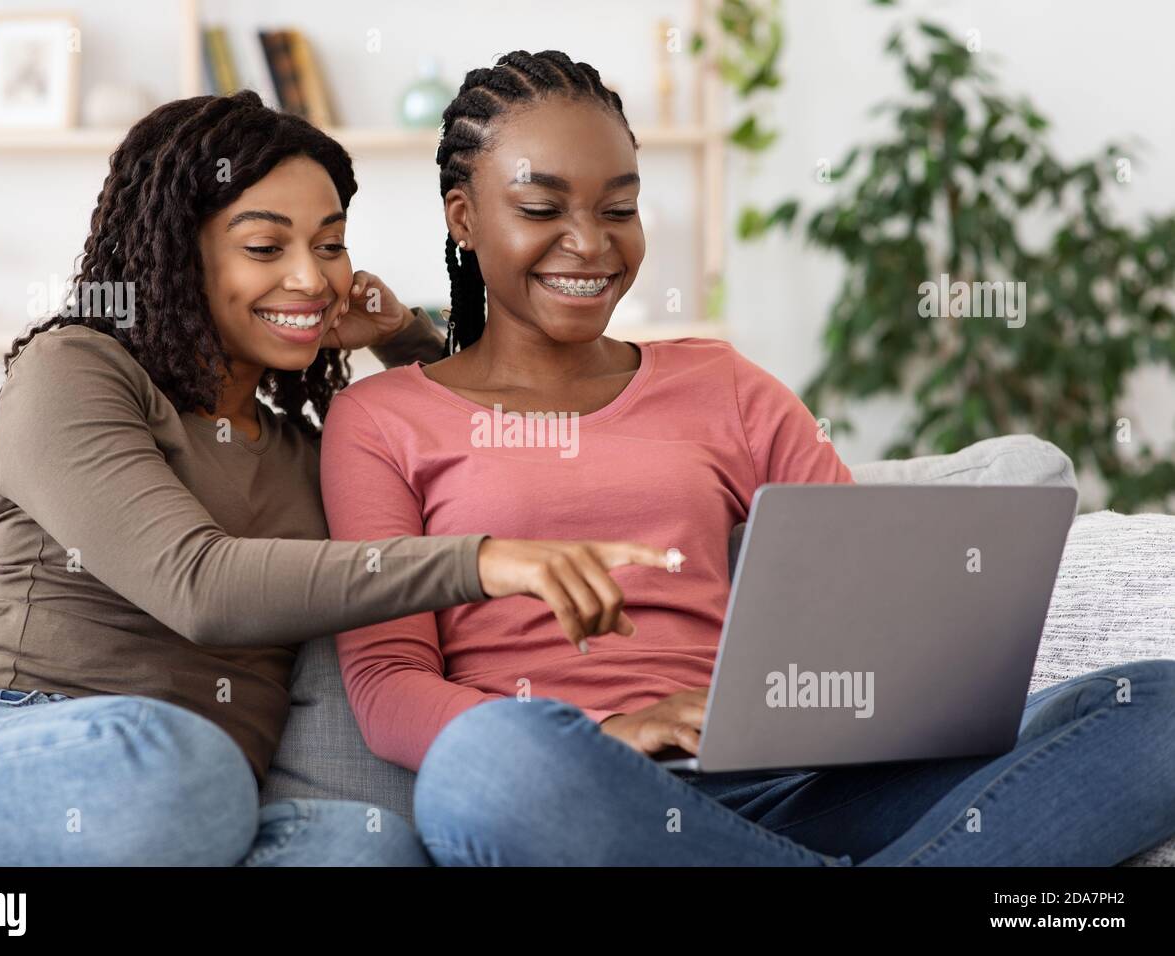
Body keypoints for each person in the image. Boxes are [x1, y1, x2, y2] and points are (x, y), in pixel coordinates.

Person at [320, 50, 1175, 866]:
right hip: (568, 784)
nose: (590, 243)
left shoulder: (721, 383)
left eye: (618, 208)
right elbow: (391, 684)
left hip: (785, 780)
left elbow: (863, 592)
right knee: (482, 773)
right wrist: (604, 733)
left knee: (1157, 703)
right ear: (464, 217)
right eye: (543, 210)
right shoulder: (380, 420)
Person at [0, 91, 670, 867]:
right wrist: (485, 561)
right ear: (180, 254)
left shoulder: (311, 450)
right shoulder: (75, 372)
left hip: (211, 814)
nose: (311, 279)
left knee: (366, 847)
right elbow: (201, 586)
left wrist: (403, 335)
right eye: (266, 248)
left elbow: (481, 446)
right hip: (29, 747)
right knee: (181, 762)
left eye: (329, 246)